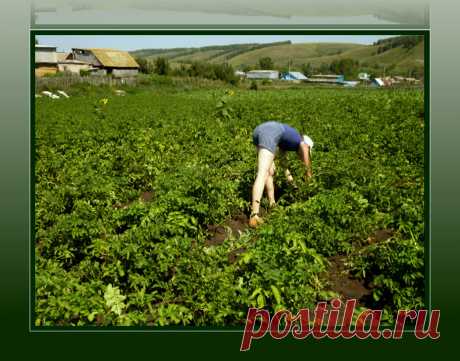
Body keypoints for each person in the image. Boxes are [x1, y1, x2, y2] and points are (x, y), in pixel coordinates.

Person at [249, 121, 314, 228]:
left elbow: (285, 168)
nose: (300, 156)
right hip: (269, 132)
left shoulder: (286, 143)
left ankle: (272, 204)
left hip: (259, 131)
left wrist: (294, 186)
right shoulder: (301, 142)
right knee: (262, 173)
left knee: (270, 172)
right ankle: (254, 215)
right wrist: (308, 174)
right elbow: (305, 149)